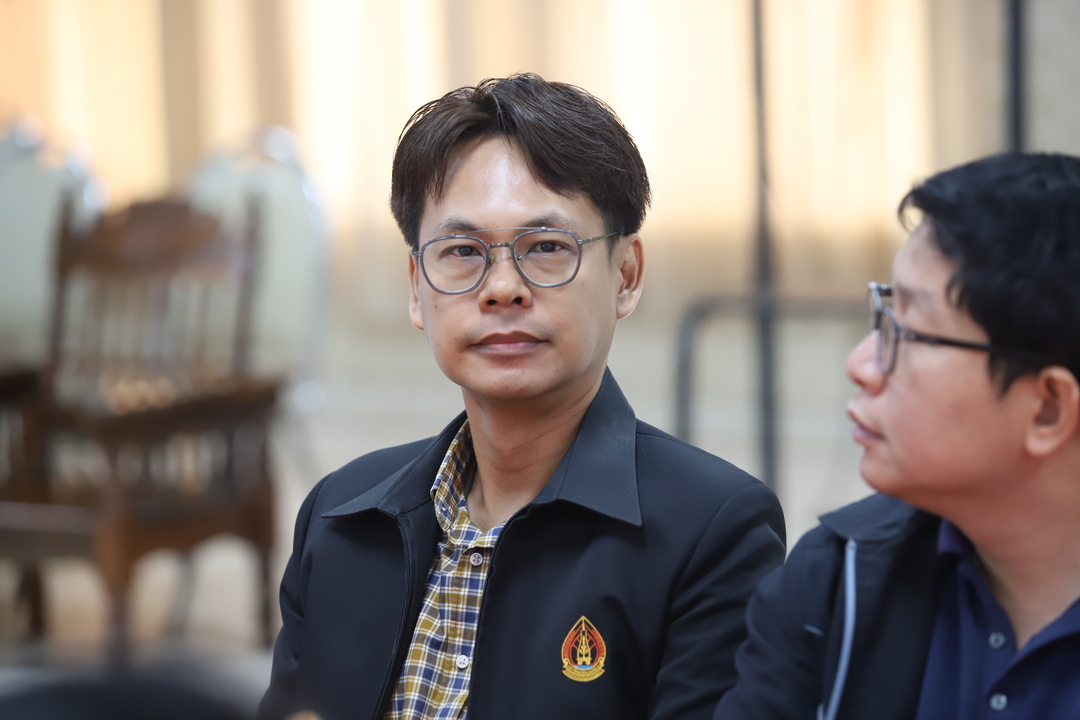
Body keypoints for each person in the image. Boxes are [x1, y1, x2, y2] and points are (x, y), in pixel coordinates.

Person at [259, 74, 785, 720]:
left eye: (546, 248)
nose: (502, 288)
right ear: (416, 287)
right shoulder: (338, 516)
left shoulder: (715, 532)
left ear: (626, 275)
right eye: (462, 250)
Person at [715, 152, 1080, 720]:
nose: (861, 365)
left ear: (1048, 409)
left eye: (909, 333)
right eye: (884, 316)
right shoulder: (835, 583)